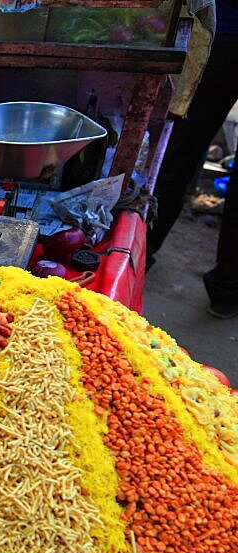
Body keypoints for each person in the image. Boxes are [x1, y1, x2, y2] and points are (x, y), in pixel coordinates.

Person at [150, 0, 238, 318]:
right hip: (221, 32)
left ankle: (142, 250)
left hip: (222, 34)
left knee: (178, 152)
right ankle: (228, 290)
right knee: (178, 150)